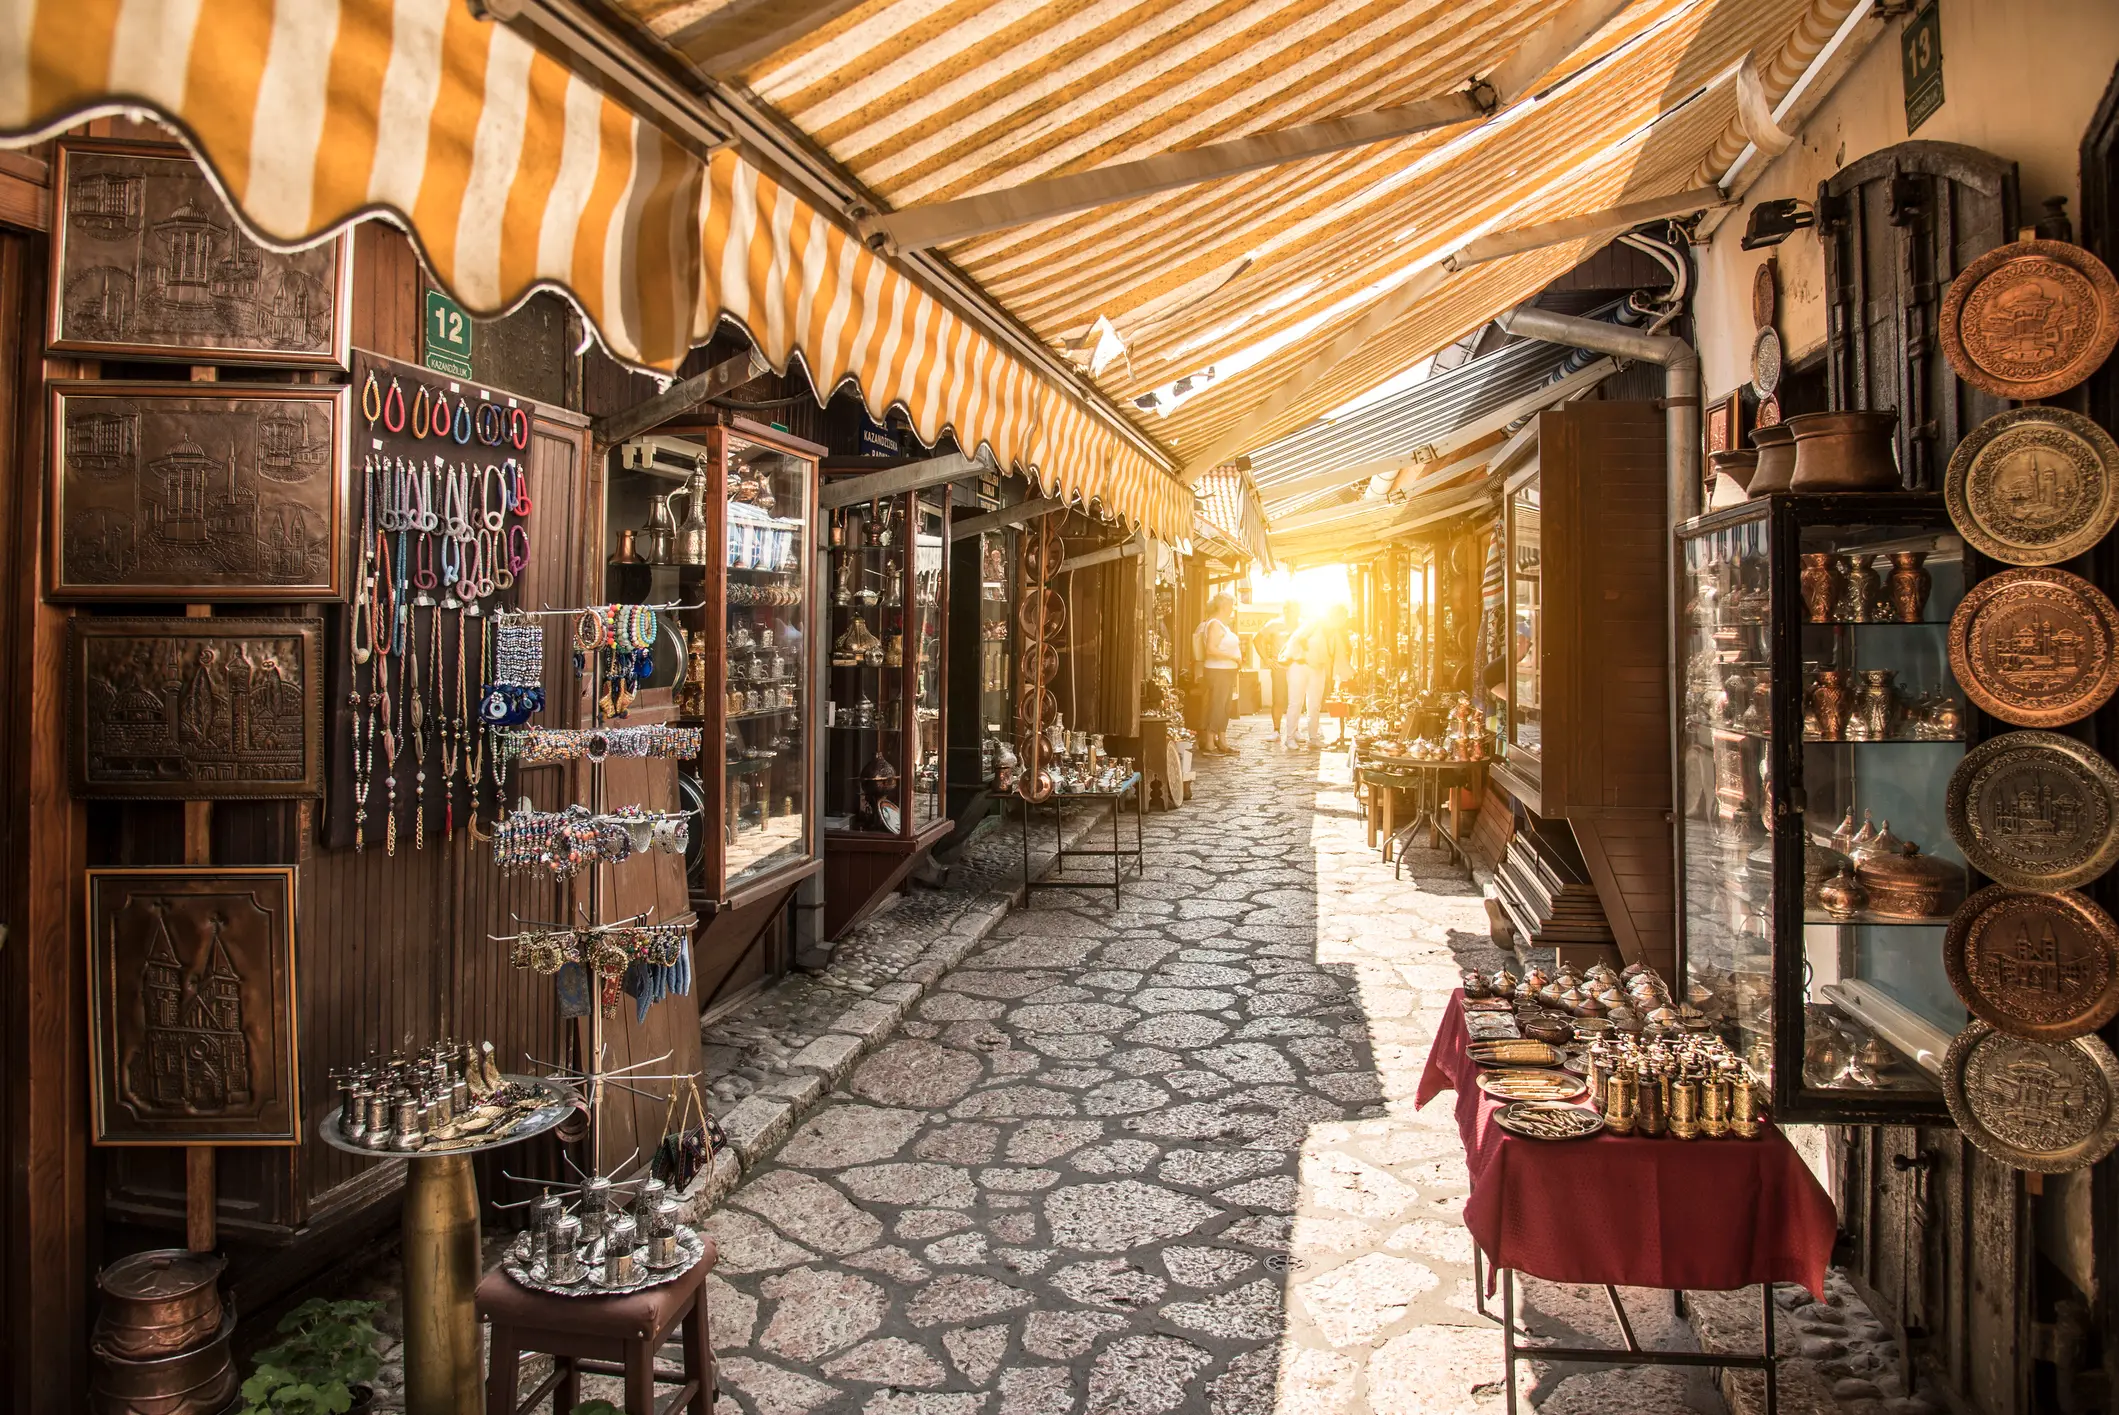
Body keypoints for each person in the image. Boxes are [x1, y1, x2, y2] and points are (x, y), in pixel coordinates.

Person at [1281, 604, 1351, 750]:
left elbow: (1339, 655)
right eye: (1341, 617)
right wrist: (1303, 653)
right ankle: (1289, 737)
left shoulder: (1334, 633)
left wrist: (1347, 675)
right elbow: (1296, 639)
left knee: (1315, 705)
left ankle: (1313, 738)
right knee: (1296, 702)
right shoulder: (1314, 624)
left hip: (1318, 669)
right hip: (1300, 666)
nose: (1343, 621)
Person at [1193, 592, 1243, 755]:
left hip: (1226, 671)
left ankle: (1222, 741)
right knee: (1216, 706)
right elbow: (1211, 650)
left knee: (1225, 707)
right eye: (1231, 605)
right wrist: (1233, 657)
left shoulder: (1223, 625)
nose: (1232, 609)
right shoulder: (1214, 624)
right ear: (1224, 606)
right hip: (1218, 671)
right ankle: (1209, 743)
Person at [1254, 600, 1301, 736]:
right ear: (1286, 610)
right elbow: (1257, 639)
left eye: (1298, 610)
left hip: (1297, 666)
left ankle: (1295, 730)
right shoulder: (1274, 624)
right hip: (1279, 666)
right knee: (1279, 699)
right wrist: (1266, 659)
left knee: (1295, 700)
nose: (1296, 614)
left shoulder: (1301, 624)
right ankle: (1276, 730)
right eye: (1293, 610)